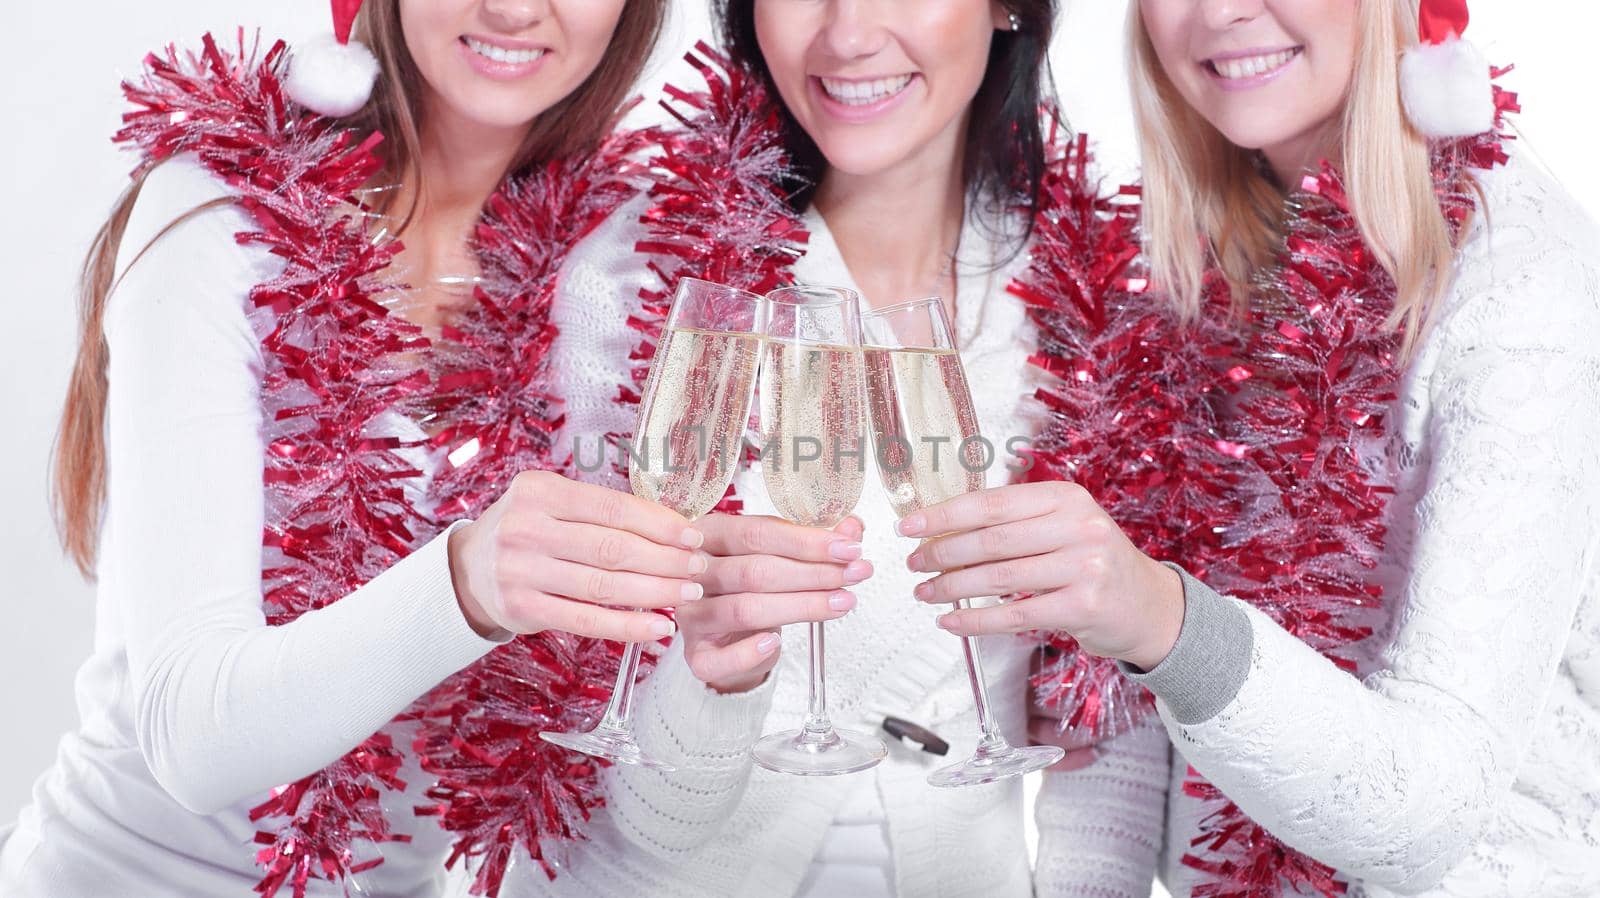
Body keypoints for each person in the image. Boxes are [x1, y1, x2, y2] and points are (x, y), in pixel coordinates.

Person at [0, 1, 772, 895]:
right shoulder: (225, 210)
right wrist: (469, 581)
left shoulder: (619, 275)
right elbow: (191, 740)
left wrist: (722, 675)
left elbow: (621, 810)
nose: (517, 8)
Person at [496, 1, 1188, 895]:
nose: (850, 34)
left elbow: (1109, 745)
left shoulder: (1096, 300)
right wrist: (718, 678)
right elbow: (616, 799)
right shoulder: (640, 279)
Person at [925, 0, 1600, 895]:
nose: (1223, 12)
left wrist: (1161, 617)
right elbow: (1114, 735)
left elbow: (1427, 815)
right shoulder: (1198, 255)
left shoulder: (1520, 288)